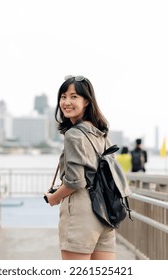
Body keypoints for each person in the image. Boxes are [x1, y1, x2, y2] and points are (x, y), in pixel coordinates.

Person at [44, 75, 118, 260]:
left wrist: (53, 198)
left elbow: (75, 182)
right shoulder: (100, 133)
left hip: (81, 216)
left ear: (86, 101)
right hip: (105, 215)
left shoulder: (74, 135)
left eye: (74, 96)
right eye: (63, 97)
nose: (66, 102)